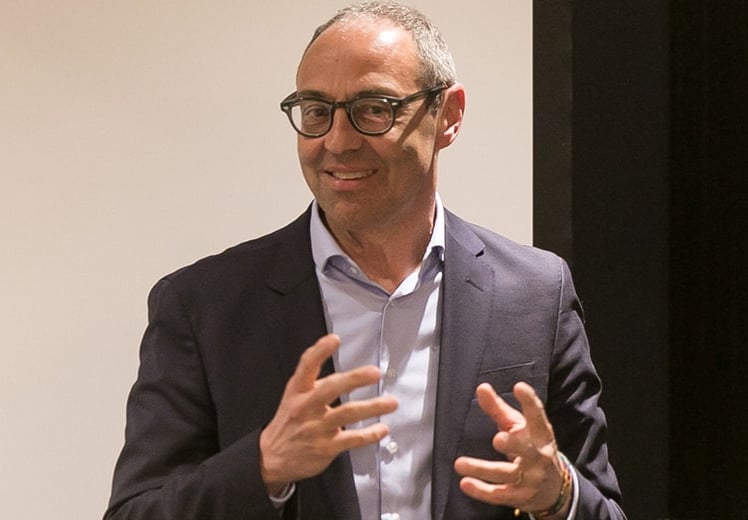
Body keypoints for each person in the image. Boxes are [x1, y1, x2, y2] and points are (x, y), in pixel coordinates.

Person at [104, 1, 625, 519]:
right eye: (316, 111)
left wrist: (559, 494)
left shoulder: (535, 294)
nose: (337, 141)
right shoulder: (204, 306)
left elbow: (604, 508)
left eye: (373, 109)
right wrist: (262, 466)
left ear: (448, 115)